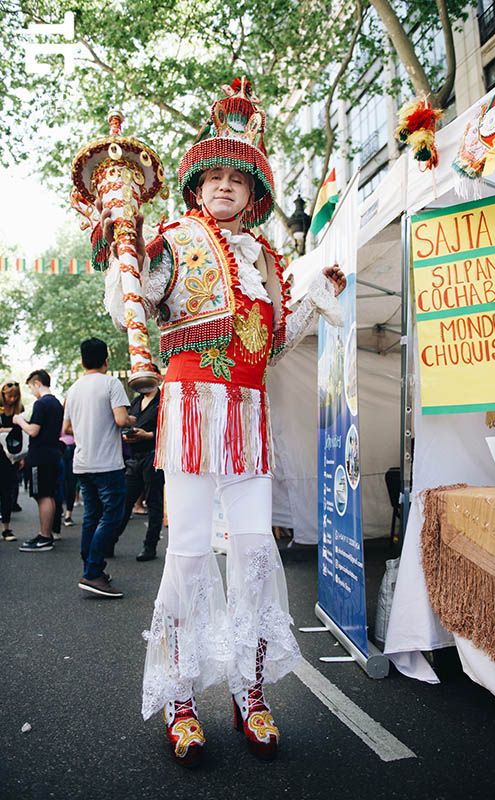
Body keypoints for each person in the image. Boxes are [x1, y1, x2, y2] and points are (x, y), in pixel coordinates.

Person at [99, 78, 346, 765]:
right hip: (189, 412)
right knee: (184, 558)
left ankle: (251, 689)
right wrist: (128, 236)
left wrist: (315, 293)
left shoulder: (265, 258)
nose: (227, 186)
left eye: (240, 178)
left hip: (248, 418)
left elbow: (272, 345)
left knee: (256, 555)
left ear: (255, 193)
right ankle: (180, 698)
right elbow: (136, 295)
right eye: (214, 176)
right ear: (196, 187)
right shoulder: (175, 238)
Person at [63, 338, 135, 598]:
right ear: (106, 361)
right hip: (107, 463)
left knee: (92, 517)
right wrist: (131, 420)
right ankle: (93, 572)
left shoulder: (73, 389)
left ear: (82, 362)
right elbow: (121, 419)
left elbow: (67, 429)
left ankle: (92, 569)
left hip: (82, 462)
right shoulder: (111, 383)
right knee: (112, 516)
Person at [113, 366, 164, 562]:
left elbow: (170, 429)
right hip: (134, 457)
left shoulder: (164, 401)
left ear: (156, 377)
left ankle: (149, 546)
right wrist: (128, 436)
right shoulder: (136, 401)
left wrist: (149, 435)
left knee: (154, 502)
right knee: (125, 501)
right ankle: (110, 541)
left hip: (153, 456)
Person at [15, 370, 64, 552]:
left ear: (37, 383)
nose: (31, 391)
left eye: (30, 387)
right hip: (52, 453)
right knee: (49, 494)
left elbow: (33, 431)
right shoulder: (57, 403)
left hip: (40, 455)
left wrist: (20, 421)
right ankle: (47, 534)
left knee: (42, 495)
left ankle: (44, 536)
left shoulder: (41, 403)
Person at [0, 379, 24, 541]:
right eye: (9, 396)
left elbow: (22, 434)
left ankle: (6, 529)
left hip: (11, 456)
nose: (12, 399)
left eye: (15, 396)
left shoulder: (19, 409)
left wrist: (22, 457)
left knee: (6, 492)